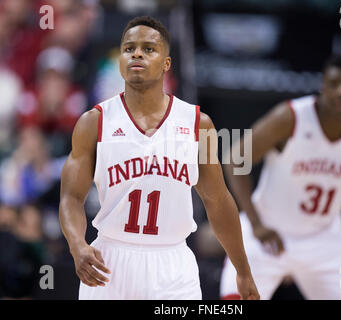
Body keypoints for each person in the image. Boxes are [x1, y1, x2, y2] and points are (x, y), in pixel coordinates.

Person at [59, 16, 259, 300]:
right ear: (120, 60)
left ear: (166, 63)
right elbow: (71, 197)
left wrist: (242, 269)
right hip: (109, 261)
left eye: (148, 49)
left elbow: (217, 200)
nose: (137, 53)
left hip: (173, 264)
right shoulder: (95, 122)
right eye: (129, 48)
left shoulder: (197, 124)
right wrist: (77, 245)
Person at [220, 54, 341, 300]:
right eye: (334, 84)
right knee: (233, 302)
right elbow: (236, 157)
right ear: (323, 87)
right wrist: (256, 223)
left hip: (324, 239)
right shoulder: (291, 117)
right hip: (267, 232)